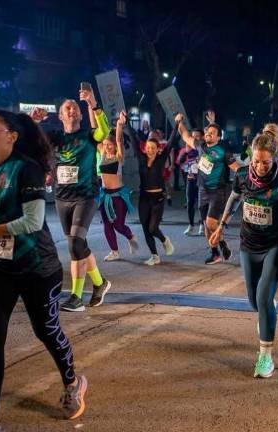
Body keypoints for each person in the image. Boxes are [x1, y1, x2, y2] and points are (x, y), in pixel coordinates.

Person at [0, 110, 88, 427]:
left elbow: (33, 222)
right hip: (2, 267)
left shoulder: (27, 169)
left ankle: (73, 383)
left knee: (46, 330)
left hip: (38, 267)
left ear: (12, 135)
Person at [211, 133, 278, 379]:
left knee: (263, 298)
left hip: (275, 246)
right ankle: (267, 307)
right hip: (249, 245)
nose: (259, 167)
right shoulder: (241, 175)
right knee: (253, 301)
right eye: (256, 161)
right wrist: (221, 224)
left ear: (276, 158)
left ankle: (265, 356)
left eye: (265, 163)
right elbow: (234, 198)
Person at [31, 90, 112, 312]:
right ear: (60, 116)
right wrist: (34, 121)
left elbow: (104, 132)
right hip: (62, 198)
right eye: (67, 107)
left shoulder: (89, 135)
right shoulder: (56, 137)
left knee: (75, 243)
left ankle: (76, 297)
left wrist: (93, 103)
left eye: (75, 106)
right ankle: (100, 283)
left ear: (80, 114)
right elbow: (30, 138)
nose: (72, 109)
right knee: (79, 245)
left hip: (86, 196)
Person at [175, 111, 241, 264]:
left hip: (217, 192)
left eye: (212, 133)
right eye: (207, 132)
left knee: (211, 223)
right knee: (206, 225)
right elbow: (185, 135)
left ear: (218, 137)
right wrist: (180, 122)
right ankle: (216, 253)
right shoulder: (200, 147)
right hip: (202, 191)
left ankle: (223, 244)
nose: (208, 135)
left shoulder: (223, 151)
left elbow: (237, 168)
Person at [129, 117, 178, 265]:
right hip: (144, 198)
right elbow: (133, 140)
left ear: (158, 150)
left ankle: (164, 240)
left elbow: (170, 142)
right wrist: (126, 123)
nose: (150, 150)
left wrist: (176, 124)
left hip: (158, 198)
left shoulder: (161, 159)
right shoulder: (141, 158)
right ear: (145, 148)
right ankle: (155, 256)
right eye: (148, 148)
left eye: (153, 148)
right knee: (145, 228)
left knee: (153, 227)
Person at [97, 112, 138, 262]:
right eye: (106, 144)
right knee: (107, 225)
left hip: (118, 196)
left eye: (110, 145)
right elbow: (97, 130)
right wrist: (91, 107)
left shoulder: (119, 157)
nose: (108, 147)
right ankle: (115, 252)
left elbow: (119, 140)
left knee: (119, 225)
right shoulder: (102, 153)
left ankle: (130, 236)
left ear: (114, 146)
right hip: (105, 195)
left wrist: (119, 125)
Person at [177, 129, 202, 236]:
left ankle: (202, 225)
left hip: (201, 180)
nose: (195, 138)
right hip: (190, 179)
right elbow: (180, 161)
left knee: (201, 205)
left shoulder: (203, 149)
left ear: (202, 138)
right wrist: (186, 152)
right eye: (193, 136)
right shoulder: (186, 148)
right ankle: (191, 225)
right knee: (190, 203)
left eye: (197, 136)